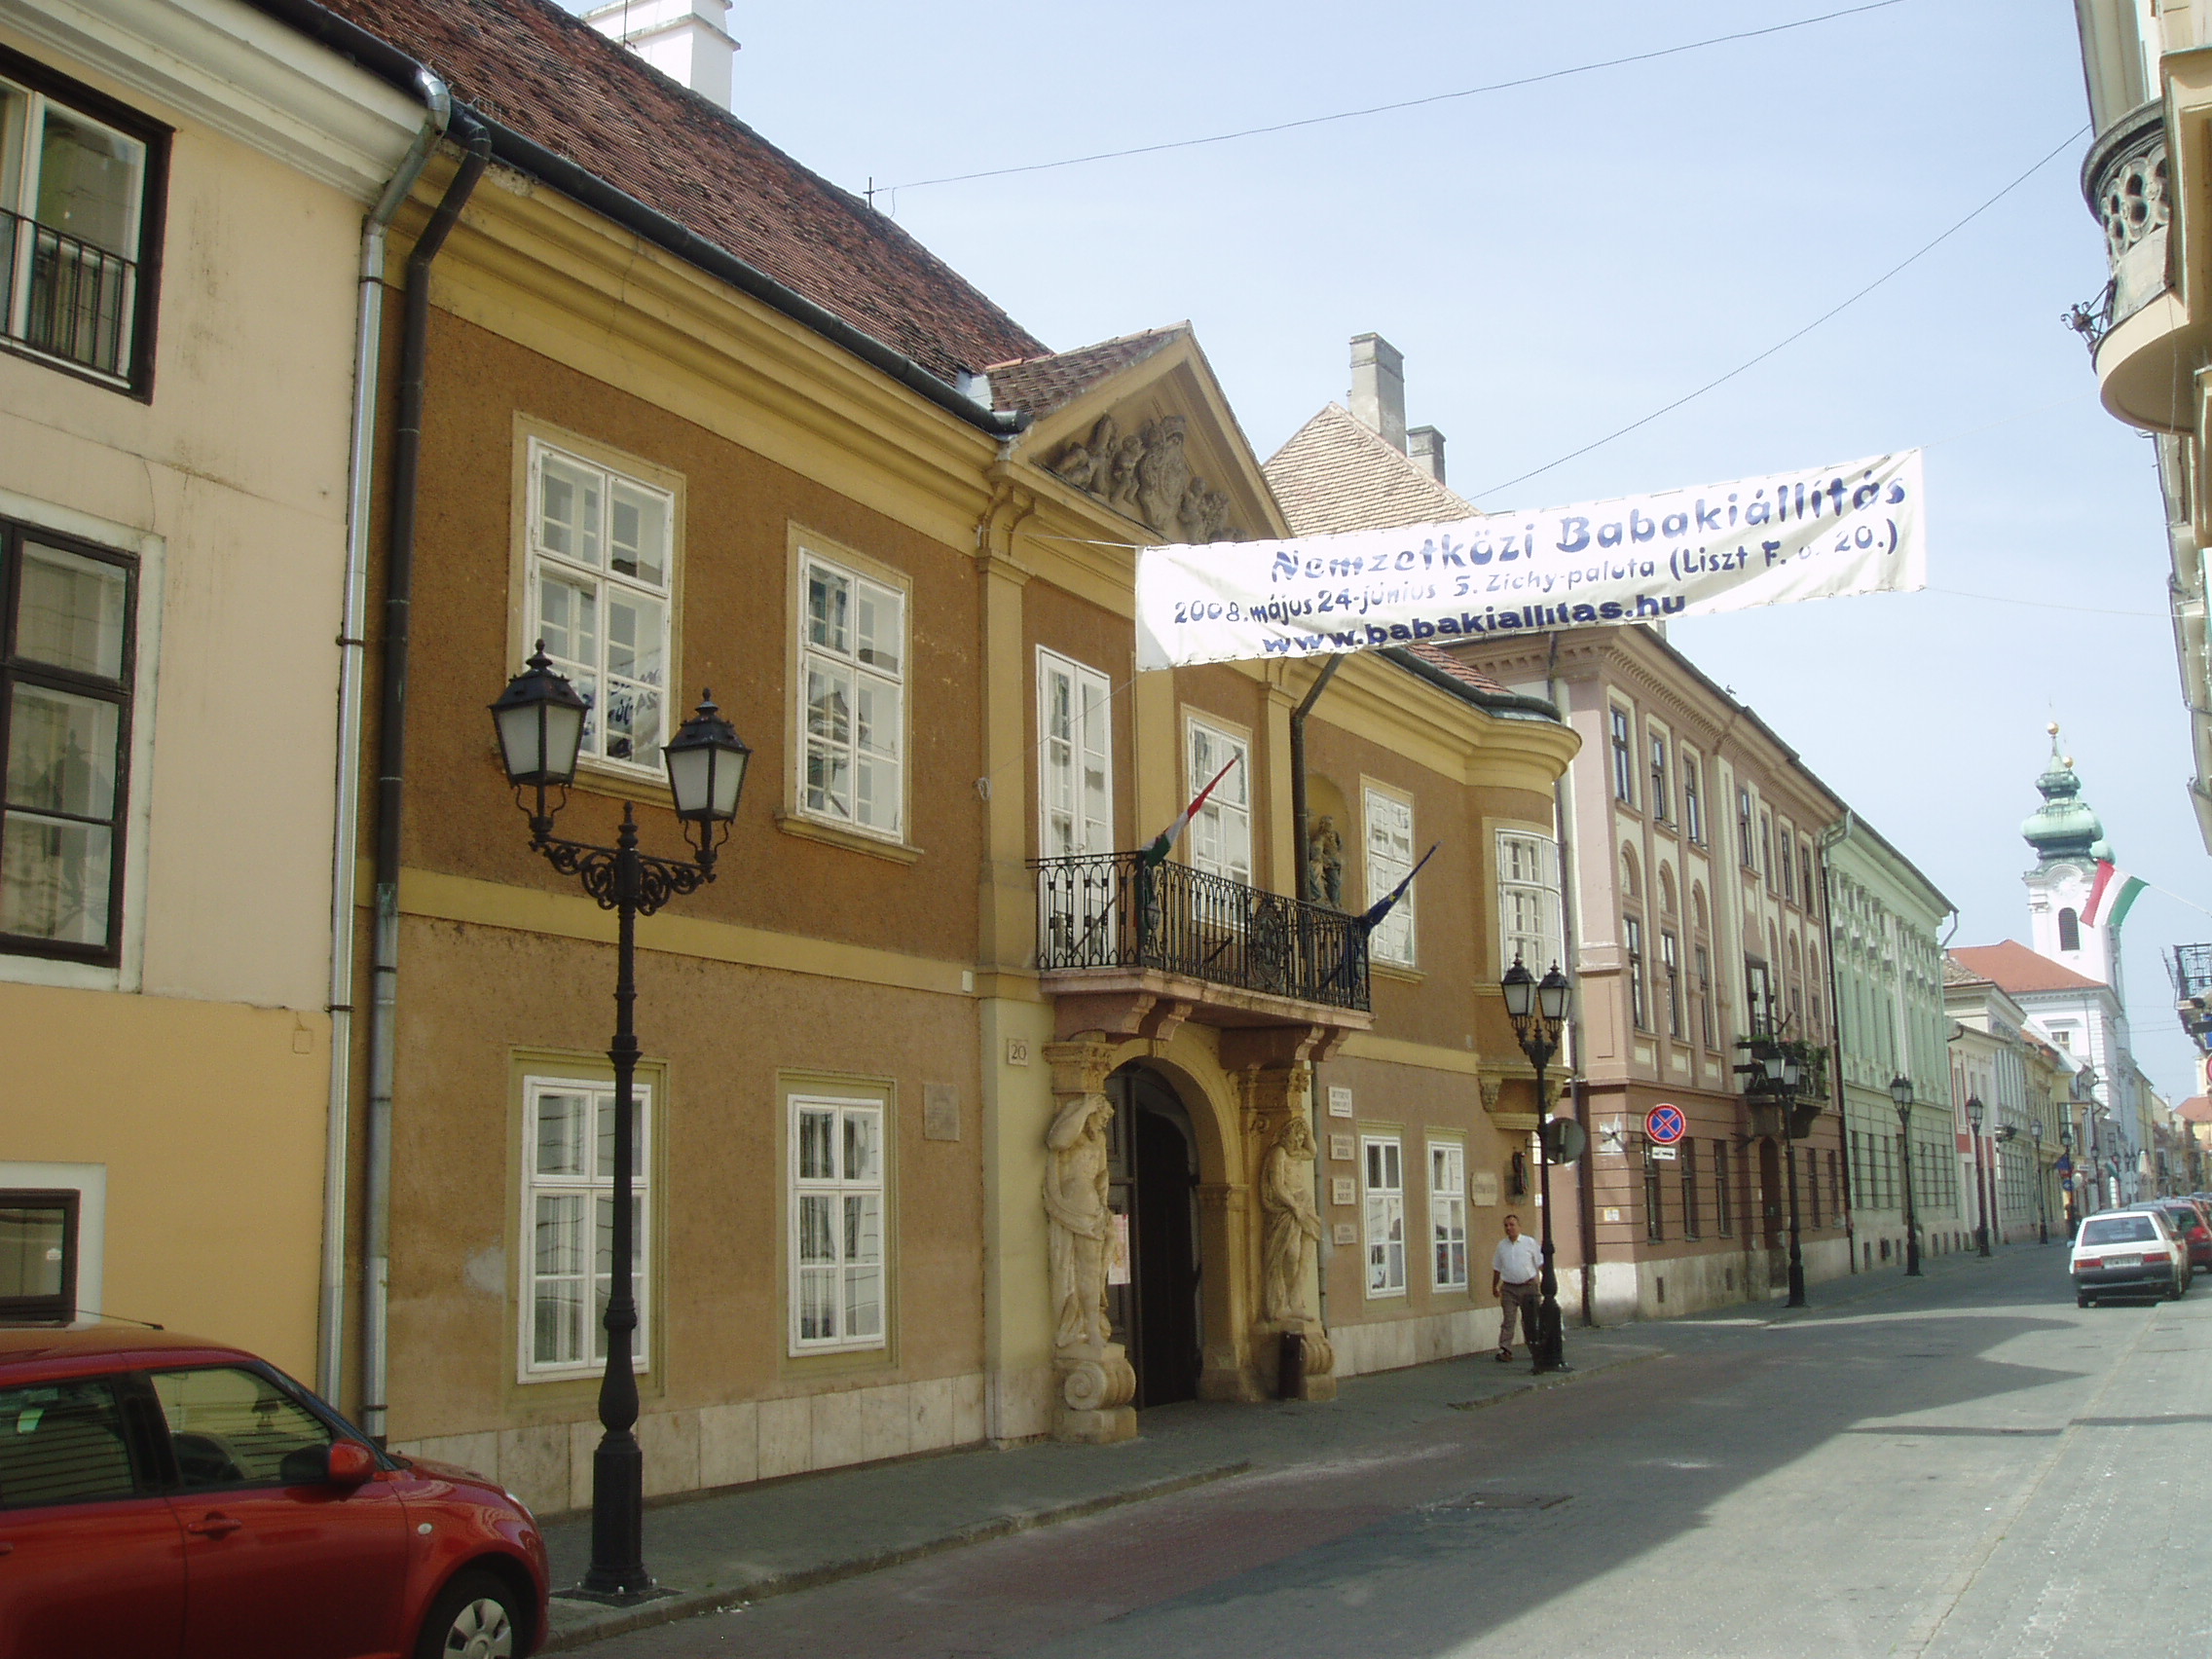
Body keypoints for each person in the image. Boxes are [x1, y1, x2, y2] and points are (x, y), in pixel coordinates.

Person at [1491, 1213, 1542, 1362]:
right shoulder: (1502, 1246)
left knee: (1530, 1320)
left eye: (1512, 1225)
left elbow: (1540, 1263)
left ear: (1519, 1226)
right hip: (1509, 1288)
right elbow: (1497, 1268)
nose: (1509, 1228)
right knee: (1508, 1319)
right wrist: (1494, 1286)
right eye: (1506, 1225)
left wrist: (1546, 1282)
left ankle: (1535, 1348)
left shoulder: (1529, 1243)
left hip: (1528, 1286)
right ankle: (1505, 1349)